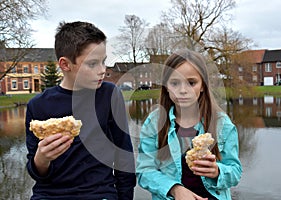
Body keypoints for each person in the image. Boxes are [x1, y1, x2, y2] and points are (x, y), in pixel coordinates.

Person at [25, 21, 136, 200]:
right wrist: (42, 158)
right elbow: (36, 172)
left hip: (99, 193)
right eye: (92, 64)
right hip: (50, 195)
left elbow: (124, 155)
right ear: (65, 64)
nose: (102, 71)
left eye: (103, 62)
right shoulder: (38, 106)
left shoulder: (109, 95)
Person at [136, 49, 242, 200]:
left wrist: (217, 171)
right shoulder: (154, 123)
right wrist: (174, 189)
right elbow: (144, 171)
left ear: (203, 85)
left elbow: (235, 172)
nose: (183, 90)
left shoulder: (222, 124)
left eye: (191, 83)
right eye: (175, 83)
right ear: (166, 86)